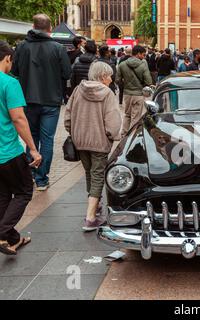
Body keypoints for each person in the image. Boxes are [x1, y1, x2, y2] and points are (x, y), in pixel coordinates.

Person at [11, 14, 71, 191]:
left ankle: (29, 174)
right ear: (50, 28)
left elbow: (14, 71)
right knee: (47, 140)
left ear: (33, 26)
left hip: (27, 99)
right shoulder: (58, 48)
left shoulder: (22, 47)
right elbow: (67, 73)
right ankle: (42, 179)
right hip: (51, 101)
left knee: (31, 138)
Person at [65, 62, 121, 231]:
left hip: (80, 140)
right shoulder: (107, 94)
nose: (111, 79)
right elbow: (112, 122)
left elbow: (68, 116)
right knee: (98, 175)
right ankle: (90, 218)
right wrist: (112, 136)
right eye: (109, 75)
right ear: (103, 76)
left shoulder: (77, 90)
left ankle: (94, 205)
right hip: (99, 141)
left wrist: (73, 132)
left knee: (90, 173)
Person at [0, 41, 42, 255]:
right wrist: (33, 149)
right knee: (25, 191)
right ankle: (2, 232)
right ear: (7, 58)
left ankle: (11, 238)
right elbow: (18, 118)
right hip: (7, 151)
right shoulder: (9, 83)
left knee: (4, 195)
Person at [117, 45, 152, 137]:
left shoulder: (122, 64)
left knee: (127, 114)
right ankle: (132, 134)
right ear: (138, 54)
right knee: (136, 116)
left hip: (127, 94)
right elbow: (148, 81)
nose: (144, 57)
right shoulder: (143, 65)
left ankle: (124, 132)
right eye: (143, 55)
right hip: (138, 94)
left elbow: (117, 80)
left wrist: (125, 83)